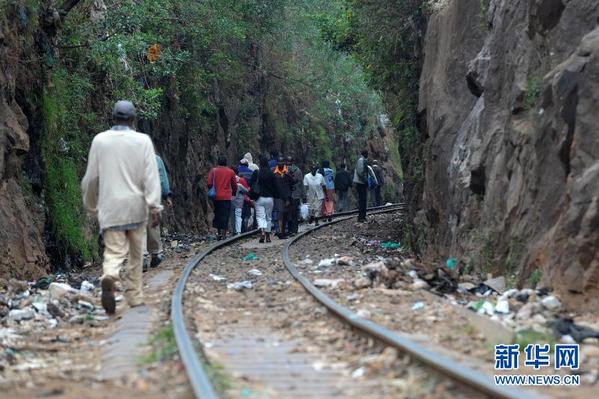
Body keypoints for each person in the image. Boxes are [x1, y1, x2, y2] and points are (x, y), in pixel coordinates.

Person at [81, 100, 162, 315]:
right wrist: (154, 206)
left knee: (114, 252)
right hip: (136, 207)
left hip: (111, 208)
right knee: (137, 255)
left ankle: (110, 274)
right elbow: (151, 177)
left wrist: (90, 205)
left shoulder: (100, 141)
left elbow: (90, 179)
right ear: (133, 119)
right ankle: (134, 297)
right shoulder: (142, 141)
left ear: (113, 117)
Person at [145, 154, 173, 271]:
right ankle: (155, 253)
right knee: (153, 225)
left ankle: (142, 257)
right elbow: (162, 178)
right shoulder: (156, 159)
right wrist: (166, 195)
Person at [207, 156, 237, 240]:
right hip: (226, 196)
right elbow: (234, 185)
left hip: (216, 197)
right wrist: (233, 193)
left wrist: (213, 189)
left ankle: (219, 233)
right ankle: (224, 234)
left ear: (218, 162)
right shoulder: (231, 172)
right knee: (225, 215)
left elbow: (209, 183)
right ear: (226, 162)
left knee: (218, 214)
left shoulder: (213, 171)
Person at [250, 155, 278, 243]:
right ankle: (268, 236)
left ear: (260, 164)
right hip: (269, 198)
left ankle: (262, 232)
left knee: (260, 217)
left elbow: (250, 183)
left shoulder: (256, 173)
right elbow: (276, 186)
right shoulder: (271, 173)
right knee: (268, 218)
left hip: (259, 198)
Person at [353, 149, 376, 223]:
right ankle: (361, 217)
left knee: (363, 200)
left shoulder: (362, 160)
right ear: (365, 154)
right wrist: (365, 180)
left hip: (361, 183)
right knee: (362, 200)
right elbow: (360, 172)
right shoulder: (361, 160)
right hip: (361, 183)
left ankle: (363, 216)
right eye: (367, 154)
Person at [273, 156, 294, 239]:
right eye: (279, 162)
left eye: (282, 162)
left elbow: (293, 182)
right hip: (278, 197)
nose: (280, 163)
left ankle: (284, 231)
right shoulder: (274, 172)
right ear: (277, 163)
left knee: (285, 215)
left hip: (287, 196)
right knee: (280, 213)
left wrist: (287, 175)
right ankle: (280, 232)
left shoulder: (288, 172)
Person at [286, 156, 304, 236]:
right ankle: (294, 229)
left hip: (286, 195)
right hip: (295, 195)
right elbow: (301, 184)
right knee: (294, 213)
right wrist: (303, 195)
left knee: (287, 213)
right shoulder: (298, 171)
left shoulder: (283, 170)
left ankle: (289, 229)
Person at [231, 167, 250, 235]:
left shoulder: (228, 181)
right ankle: (238, 231)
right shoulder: (240, 182)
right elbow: (246, 191)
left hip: (231, 201)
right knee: (238, 216)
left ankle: (234, 231)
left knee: (232, 217)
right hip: (239, 203)